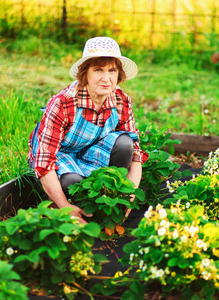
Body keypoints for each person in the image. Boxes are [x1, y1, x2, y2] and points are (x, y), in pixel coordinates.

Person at [28, 37, 148, 224]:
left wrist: (129, 194)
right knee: (73, 184)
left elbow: (136, 154)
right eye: (98, 70)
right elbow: (44, 161)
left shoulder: (121, 100)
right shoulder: (63, 103)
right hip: (61, 155)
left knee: (126, 144)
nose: (106, 78)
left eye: (112, 70)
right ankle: (74, 209)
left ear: (119, 75)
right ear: (85, 73)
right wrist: (63, 205)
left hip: (91, 151)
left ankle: (107, 197)